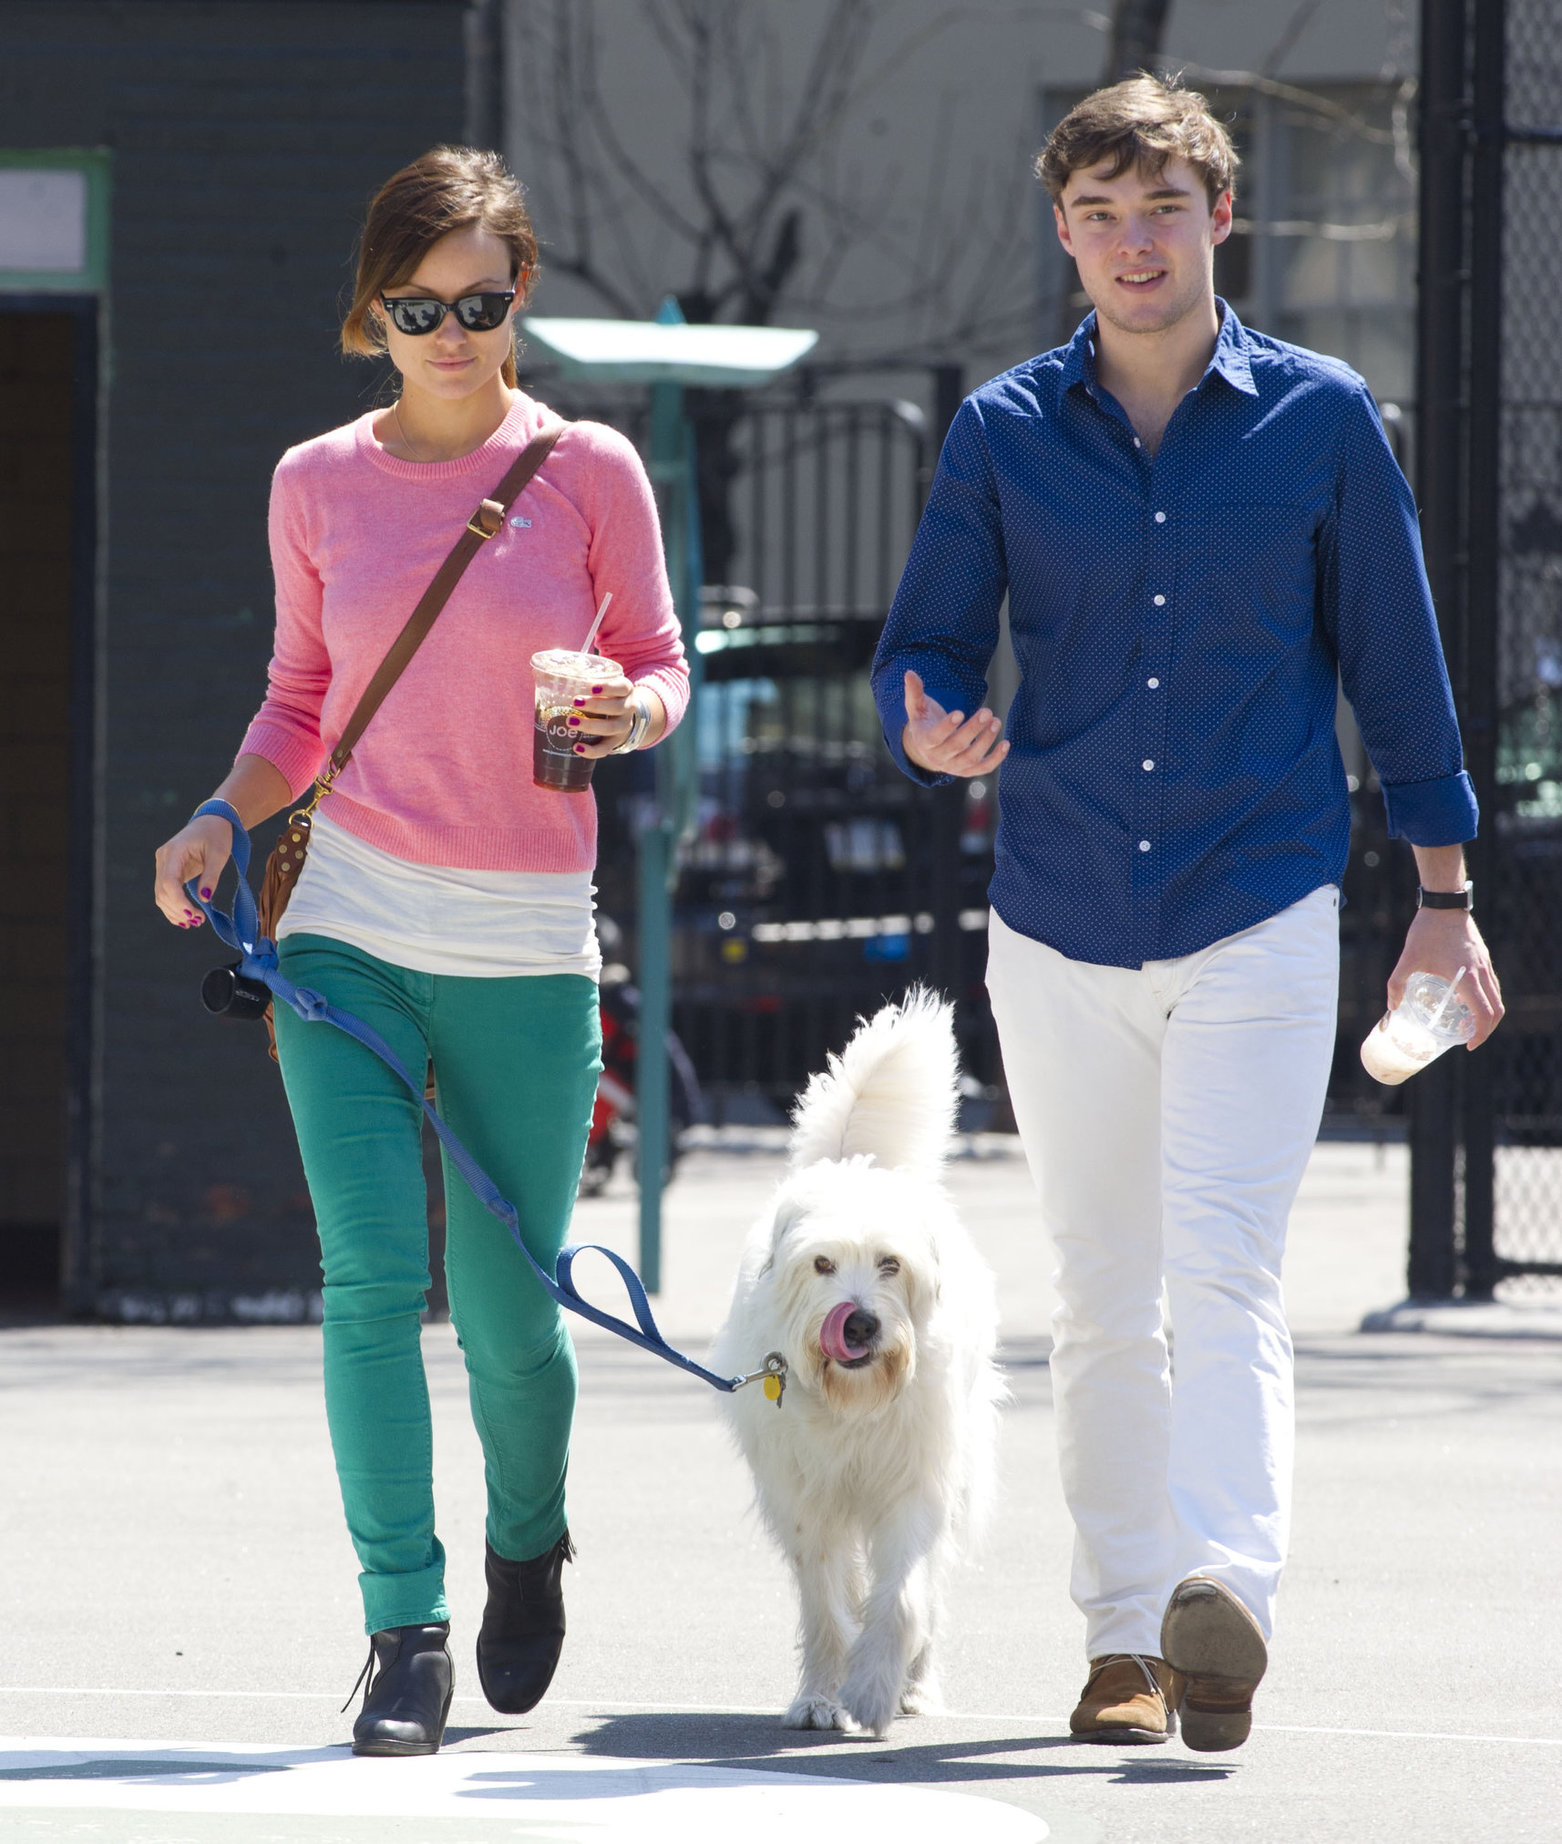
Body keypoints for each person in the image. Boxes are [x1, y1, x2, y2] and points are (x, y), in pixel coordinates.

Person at [871, 77, 1502, 1754]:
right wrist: (926, 716)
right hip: (1060, 910)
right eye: (1098, 213)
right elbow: (921, 641)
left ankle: (1221, 1594)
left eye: (1161, 209)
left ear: (1222, 217)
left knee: (1218, 1267)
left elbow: (1398, 668)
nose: (1131, 243)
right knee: (1098, 1290)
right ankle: (1117, 1643)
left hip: (1256, 902)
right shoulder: (1005, 429)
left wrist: (1442, 897)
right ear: (1061, 231)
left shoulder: (1319, 416)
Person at [152, 147, 688, 1756]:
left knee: (512, 1319)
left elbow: (662, 667)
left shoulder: (588, 468)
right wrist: (219, 817)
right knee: (372, 1287)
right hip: (349, 944)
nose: (450, 331)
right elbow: (302, 705)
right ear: (370, 313)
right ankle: (404, 1625)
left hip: (525, 951)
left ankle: (529, 1541)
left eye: (480, 299)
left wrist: (628, 705)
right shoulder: (314, 483)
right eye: (416, 304)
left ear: (518, 298)